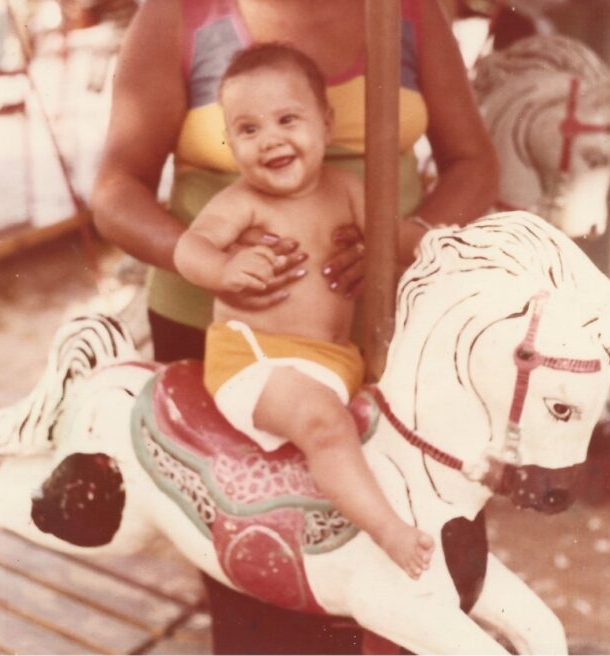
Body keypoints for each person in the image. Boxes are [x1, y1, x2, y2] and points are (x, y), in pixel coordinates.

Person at [92, 0, 498, 654]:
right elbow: (115, 187)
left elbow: (472, 162)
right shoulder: (180, 14)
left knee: (417, 565)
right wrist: (203, 259)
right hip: (224, 342)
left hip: (386, 327)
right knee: (271, 591)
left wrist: (411, 240)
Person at [175, 42, 435, 579]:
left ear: (326, 123)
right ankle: (388, 531)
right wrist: (224, 269)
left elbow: (396, 237)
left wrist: (441, 244)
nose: (269, 139)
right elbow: (190, 248)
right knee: (322, 424)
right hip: (256, 360)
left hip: (334, 360)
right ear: (231, 143)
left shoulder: (347, 189)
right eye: (247, 130)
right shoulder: (243, 202)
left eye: (287, 119)